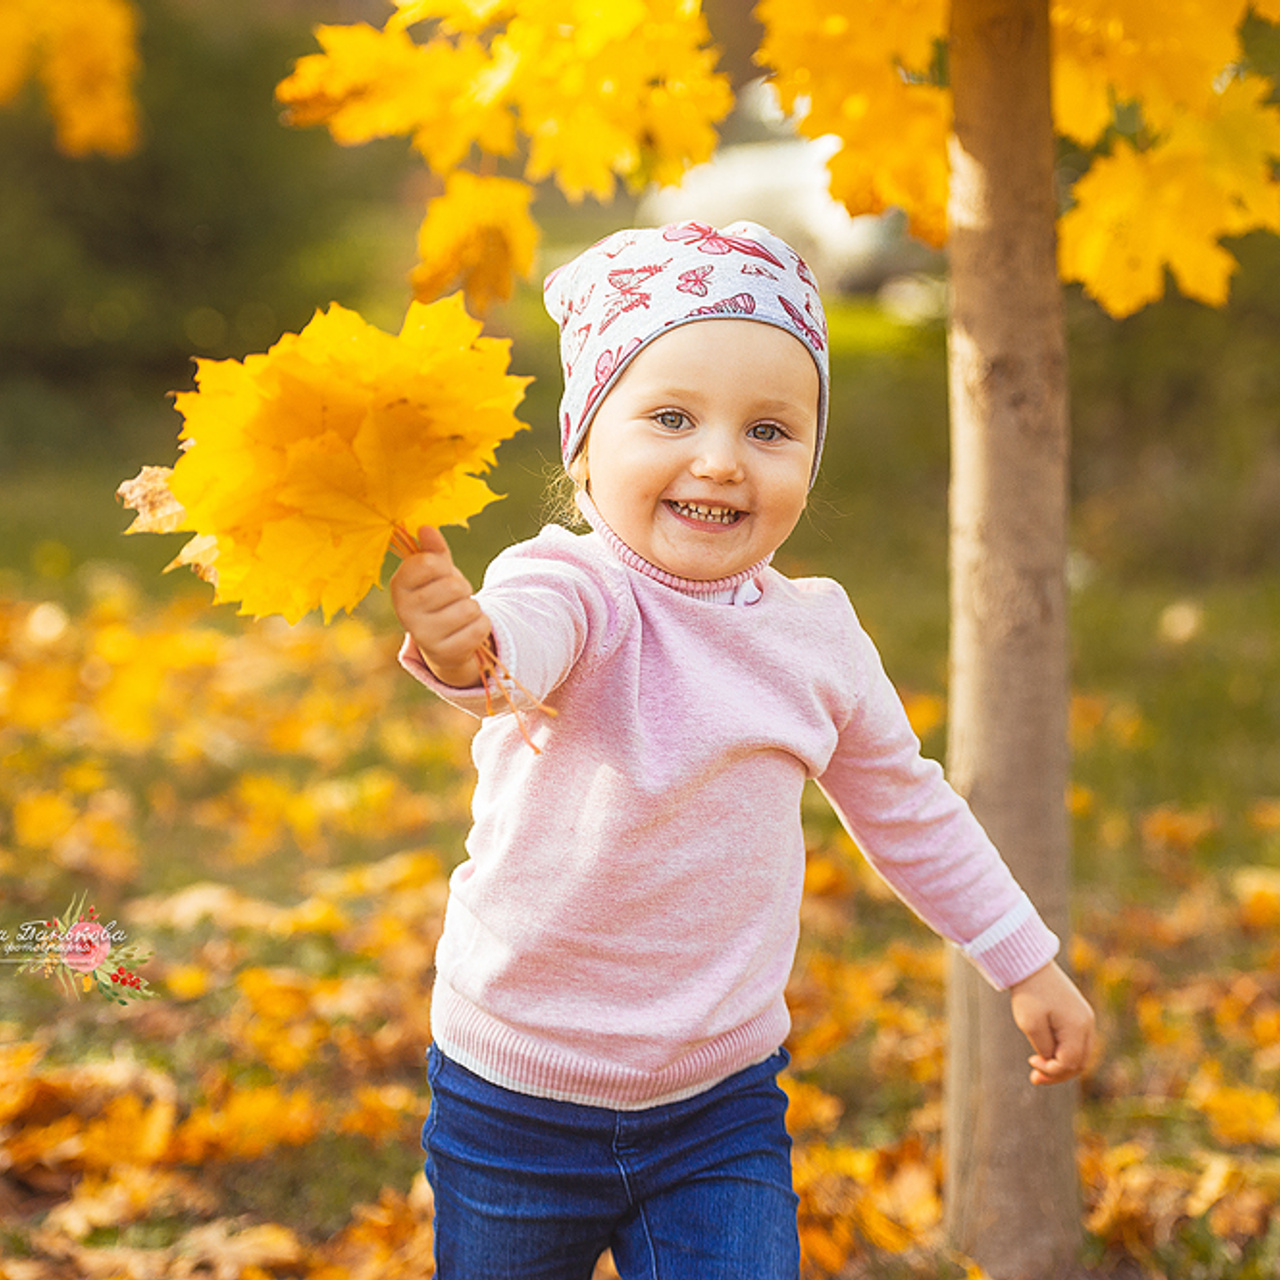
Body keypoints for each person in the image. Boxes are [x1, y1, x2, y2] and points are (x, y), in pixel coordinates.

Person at [389, 220, 1096, 1280]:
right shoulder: (572, 586)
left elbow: (906, 805)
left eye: (769, 430)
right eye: (670, 417)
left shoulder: (815, 637)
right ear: (585, 445)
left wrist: (1022, 957)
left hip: (717, 1108)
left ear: (810, 459)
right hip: (516, 1092)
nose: (719, 459)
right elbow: (513, 657)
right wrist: (466, 643)